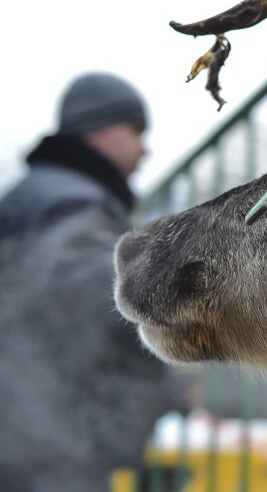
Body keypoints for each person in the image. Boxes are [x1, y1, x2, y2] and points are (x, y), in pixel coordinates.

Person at [0, 73, 181, 491]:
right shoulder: (70, 204)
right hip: (46, 453)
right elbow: (105, 304)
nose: (144, 148)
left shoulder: (37, 195)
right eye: (135, 130)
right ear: (96, 129)